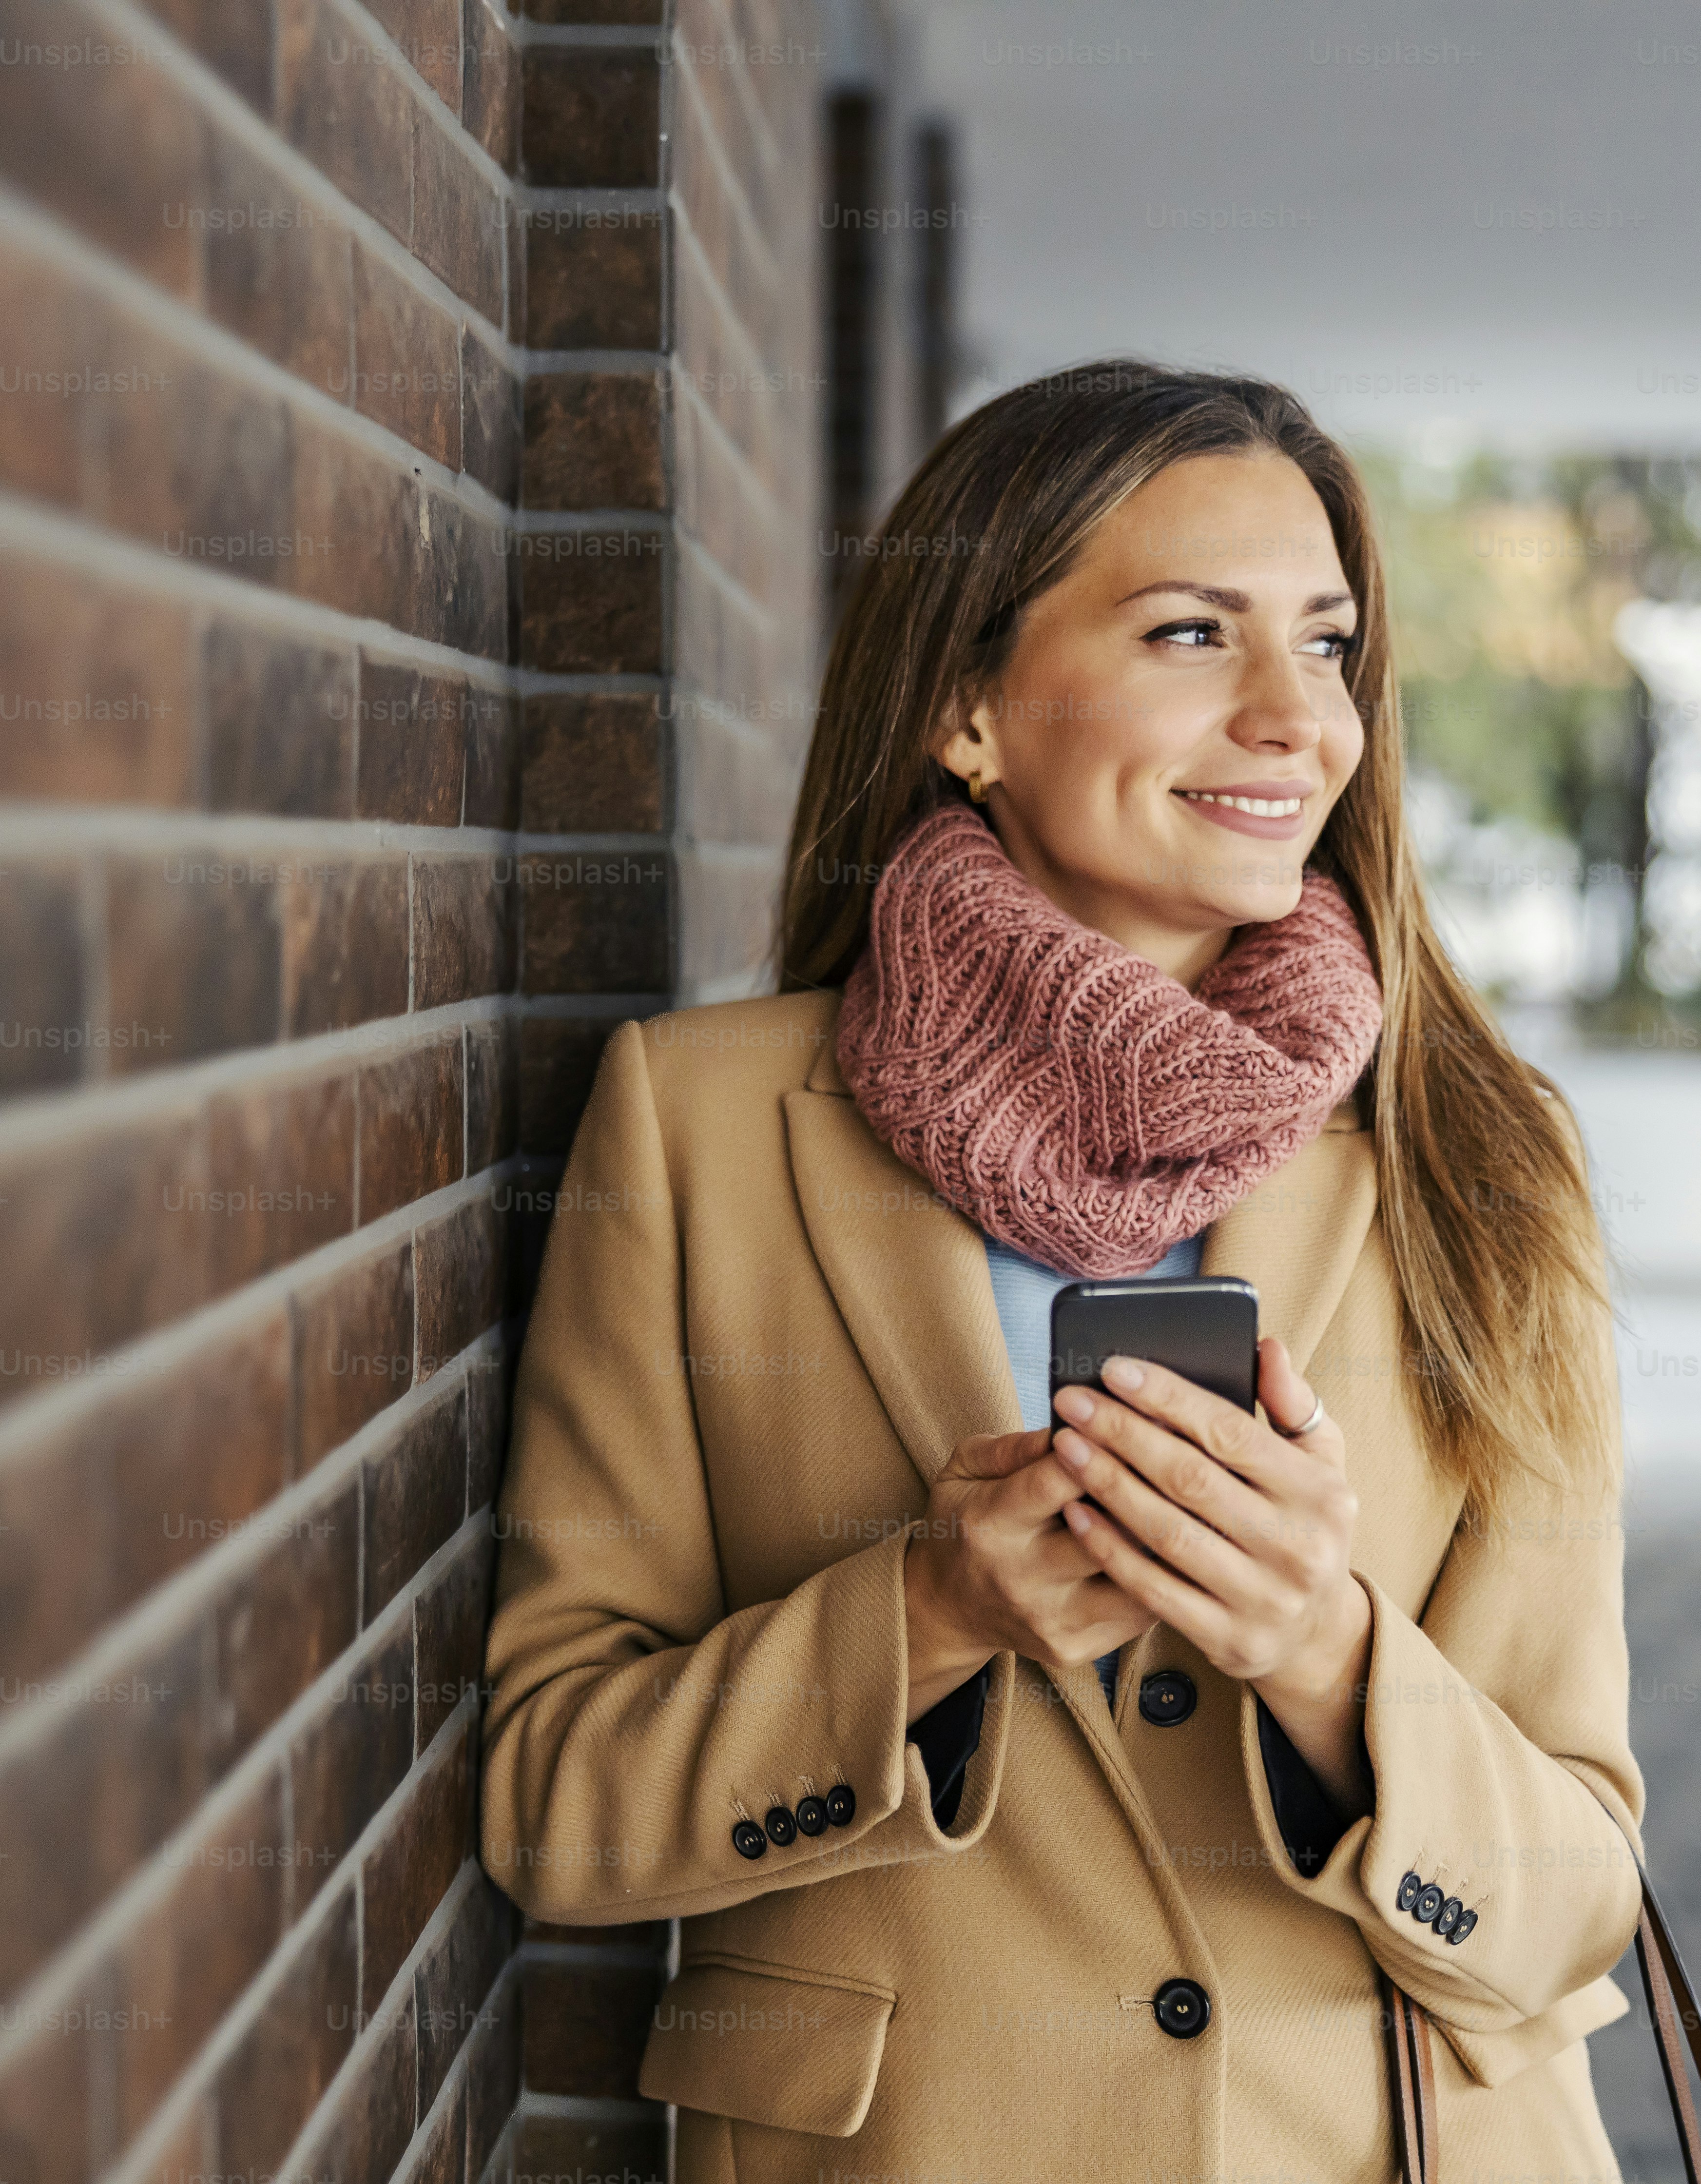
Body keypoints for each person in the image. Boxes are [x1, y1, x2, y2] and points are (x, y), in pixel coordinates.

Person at [481, 358, 1643, 2184]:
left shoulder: (1485, 1160)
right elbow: (560, 1805)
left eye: (1328, 646)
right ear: (967, 704)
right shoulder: (697, 1127)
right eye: (1194, 633)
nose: (1297, 720)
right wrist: (929, 1616)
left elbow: (1581, 1901)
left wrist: (1329, 1659)